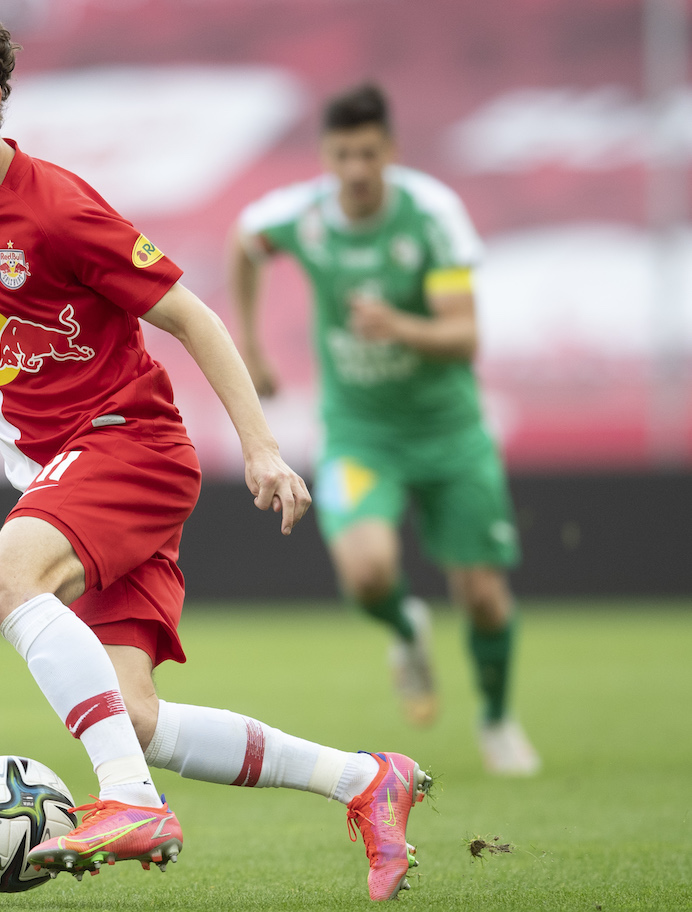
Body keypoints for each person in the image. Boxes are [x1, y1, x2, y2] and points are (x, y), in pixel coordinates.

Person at [0, 8, 430, 900]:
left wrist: (264, 449)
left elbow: (191, 315)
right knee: (139, 719)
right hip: (65, 474)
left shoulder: (60, 208)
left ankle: (128, 801)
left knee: (4, 583)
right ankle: (363, 780)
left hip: (130, 446)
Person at [229, 83, 539, 776]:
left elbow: (465, 336)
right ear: (326, 156)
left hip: (450, 433)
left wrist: (396, 324)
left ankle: (495, 721)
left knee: (484, 597)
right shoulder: (302, 217)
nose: (358, 170)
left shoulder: (431, 216)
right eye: (344, 155)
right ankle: (407, 630)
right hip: (360, 433)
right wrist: (251, 345)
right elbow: (243, 244)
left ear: (391, 152)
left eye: (370, 154)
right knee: (368, 573)